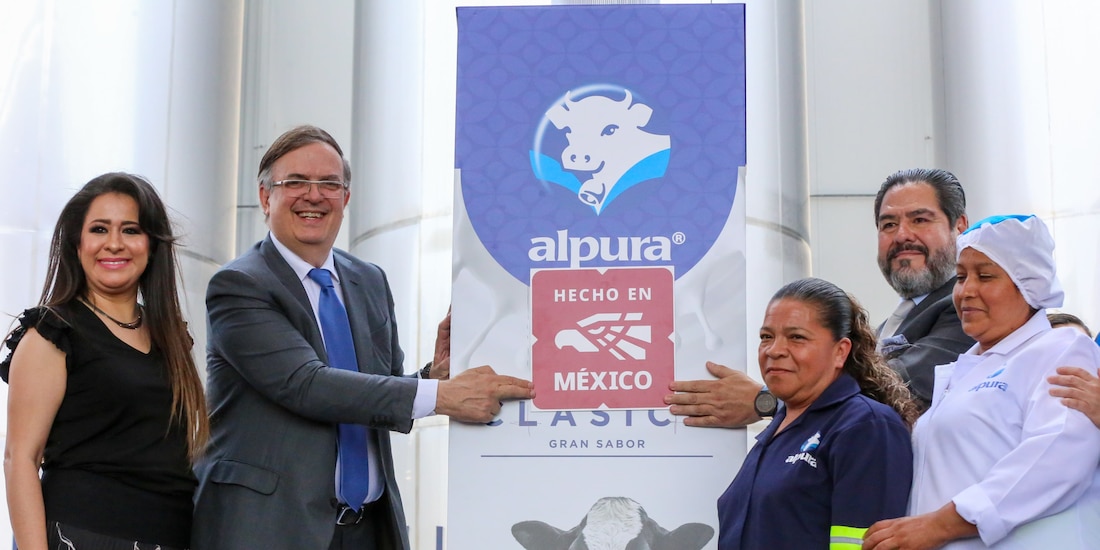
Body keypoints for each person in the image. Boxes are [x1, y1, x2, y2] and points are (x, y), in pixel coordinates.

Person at [190, 125, 534, 550]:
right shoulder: (240, 285)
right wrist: (441, 396)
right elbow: (304, 384)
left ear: (346, 198)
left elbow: (377, 394)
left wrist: (434, 376)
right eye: (295, 182)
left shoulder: (368, 281)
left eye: (329, 184)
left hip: (366, 530)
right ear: (265, 197)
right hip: (267, 528)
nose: (314, 196)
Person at [863, 215, 1100, 549]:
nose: (966, 291)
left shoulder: (1059, 349)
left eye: (985, 276)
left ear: (1028, 284)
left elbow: (1055, 457)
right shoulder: (964, 371)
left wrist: (940, 525)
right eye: (961, 277)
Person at [666, 168, 973, 426]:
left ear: (959, 226)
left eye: (920, 220)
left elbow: (892, 390)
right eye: (889, 224)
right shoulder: (890, 325)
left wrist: (766, 400)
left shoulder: (968, 311)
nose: (902, 235)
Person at [2, 173, 208, 550]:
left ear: (151, 244)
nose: (114, 244)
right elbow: (20, 460)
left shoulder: (171, 338)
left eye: (130, 230)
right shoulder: (53, 332)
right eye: (99, 229)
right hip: (81, 534)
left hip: (171, 536)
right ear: (77, 243)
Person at [718, 277, 916, 549]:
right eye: (766, 337)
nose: (774, 350)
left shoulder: (866, 426)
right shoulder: (779, 427)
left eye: (796, 337)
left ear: (840, 351)